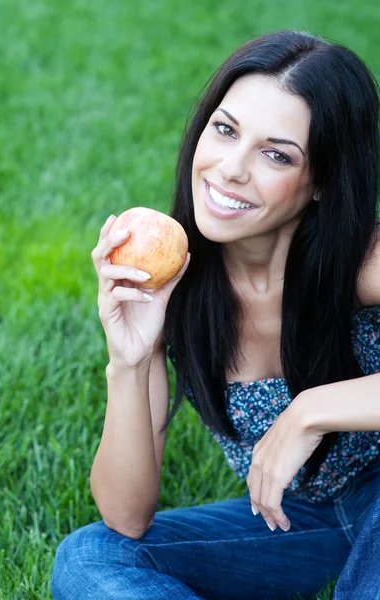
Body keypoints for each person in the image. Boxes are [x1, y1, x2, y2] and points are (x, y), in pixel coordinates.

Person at [51, 30, 380, 600]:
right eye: (225, 130)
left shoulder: (362, 262)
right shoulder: (172, 286)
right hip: (300, 521)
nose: (230, 169)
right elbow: (127, 517)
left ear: (323, 180)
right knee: (90, 558)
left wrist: (312, 410)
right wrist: (130, 359)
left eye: (276, 154)